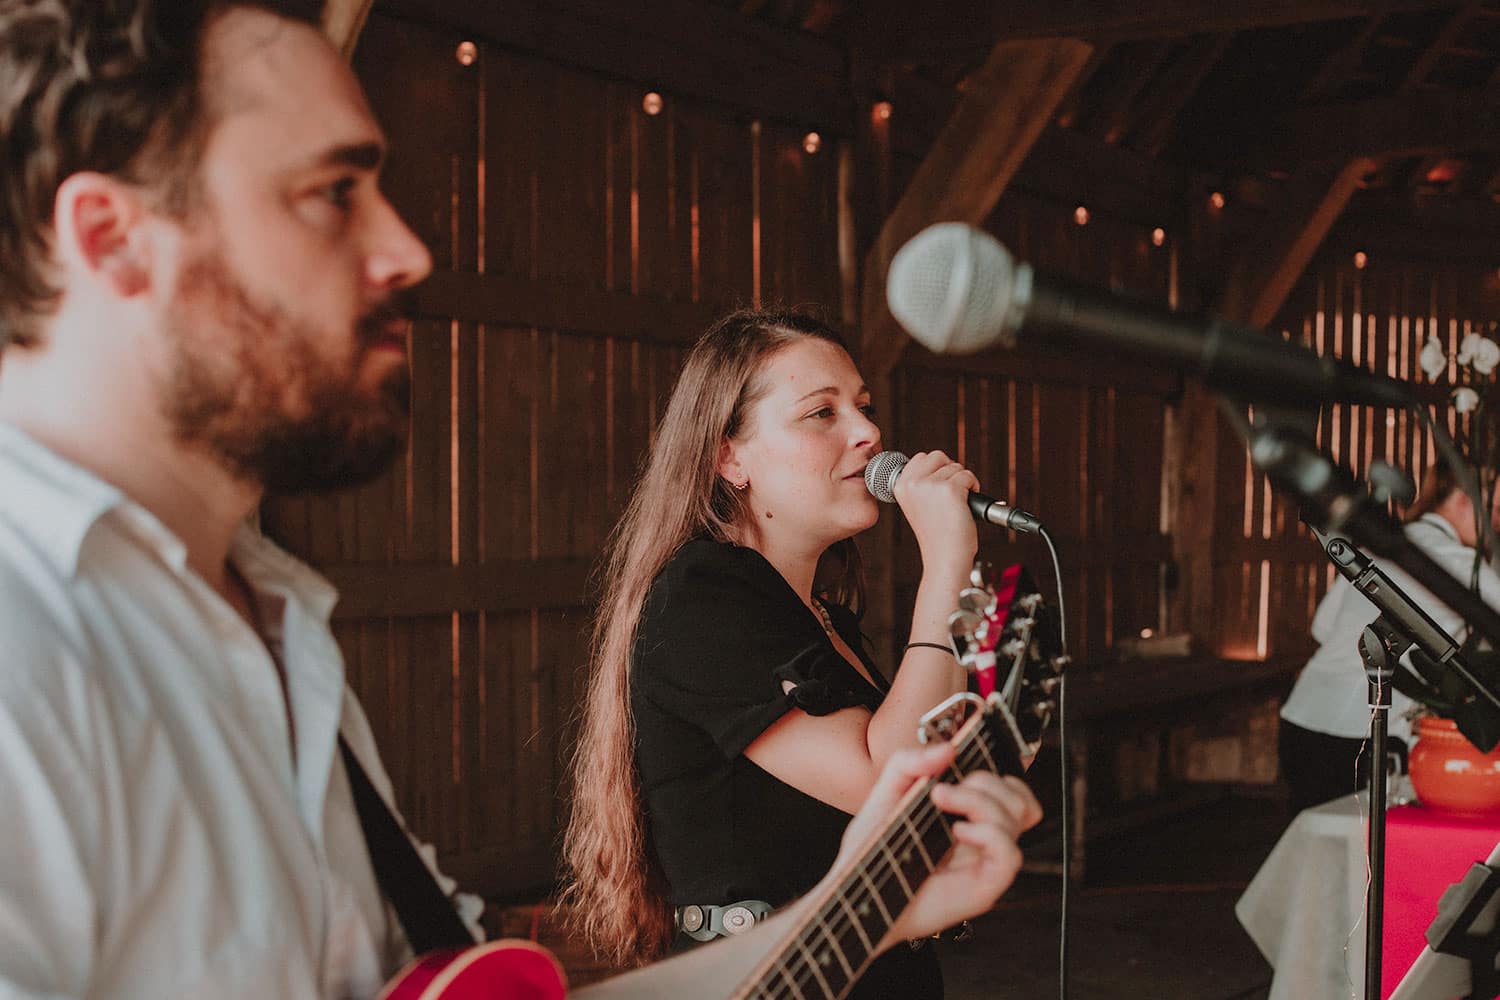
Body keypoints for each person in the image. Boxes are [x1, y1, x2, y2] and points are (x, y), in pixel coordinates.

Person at [0, 3, 1040, 998]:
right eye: (332, 192)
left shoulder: (271, 623)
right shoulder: (26, 640)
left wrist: (859, 912)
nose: (407, 250)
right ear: (113, 236)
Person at [563, 309, 1036, 999]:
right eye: (822, 413)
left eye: (863, 407)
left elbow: (930, 784)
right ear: (730, 457)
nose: (868, 433)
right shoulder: (700, 599)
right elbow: (890, 781)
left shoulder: (821, 617)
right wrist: (947, 560)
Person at [1280, 459, 1500, 814]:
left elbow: (1322, 626)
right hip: (1368, 739)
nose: (1496, 523)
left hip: (1303, 721)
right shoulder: (1454, 562)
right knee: (1374, 857)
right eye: (1495, 509)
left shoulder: (1378, 547)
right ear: (1462, 499)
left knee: (1324, 853)